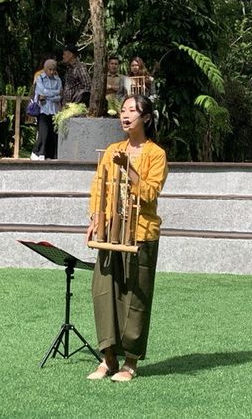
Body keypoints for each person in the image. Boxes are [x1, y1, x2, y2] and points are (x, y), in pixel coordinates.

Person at [85, 95, 168, 382]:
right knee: (103, 291)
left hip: (141, 233)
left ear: (145, 118)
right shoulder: (111, 150)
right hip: (111, 232)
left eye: (132, 110)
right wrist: (96, 218)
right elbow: (99, 186)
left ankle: (130, 362)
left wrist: (128, 168)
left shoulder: (156, 154)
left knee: (136, 297)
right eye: (123, 110)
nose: (125, 114)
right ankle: (108, 358)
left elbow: (149, 193)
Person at [31, 59, 62, 160]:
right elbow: (41, 91)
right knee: (43, 132)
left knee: (53, 133)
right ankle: (38, 152)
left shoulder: (58, 80)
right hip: (43, 109)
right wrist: (54, 93)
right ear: (45, 69)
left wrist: (48, 95)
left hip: (55, 110)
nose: (52, 72)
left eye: (53, 70)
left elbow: (60, 96)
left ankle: (51, 154)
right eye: (49, 69)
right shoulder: (40, 78)